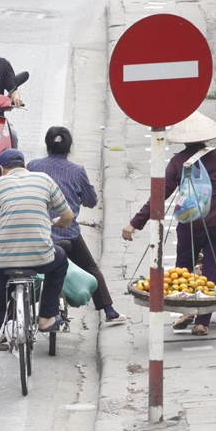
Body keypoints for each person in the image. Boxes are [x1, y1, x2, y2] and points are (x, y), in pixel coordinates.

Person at [121, 111, 216, 337]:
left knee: (184, 267)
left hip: (191, 222)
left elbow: (160, 195)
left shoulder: (178, 162)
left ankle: (187, 309)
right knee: (212, 268)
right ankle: (202, 322)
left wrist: (136, 223)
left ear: (184, 139)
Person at [0, 149, 72, 381]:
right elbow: (67, 216)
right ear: (25, 166)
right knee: (60, 259)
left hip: (3, 262)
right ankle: (46, 317)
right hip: (41, 258)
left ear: (2, 169)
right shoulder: (44, 180)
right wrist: (55, 222)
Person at [28, 126, 126, 325]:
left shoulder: (32, 166)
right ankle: (109, 310)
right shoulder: (77, 171)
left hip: (38, 234)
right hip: (68, 234)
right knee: (91, 267)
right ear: (69, 147)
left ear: (47, 146)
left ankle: (12, 319)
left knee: (21, 273)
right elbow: (91, 200)